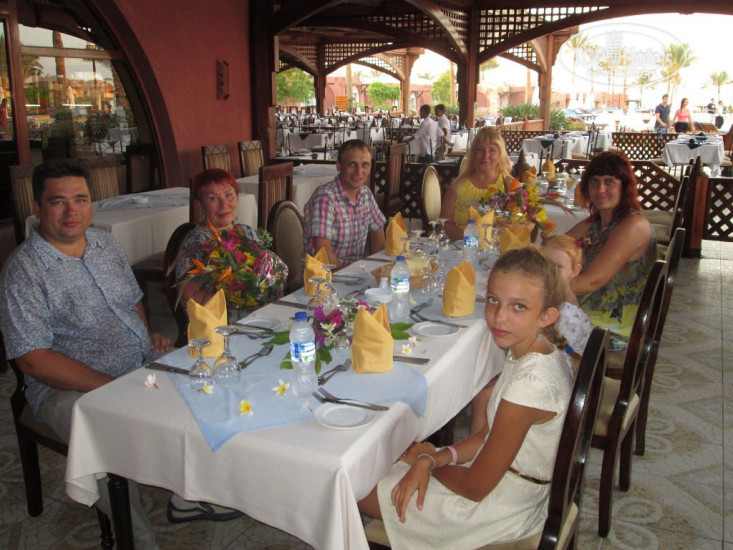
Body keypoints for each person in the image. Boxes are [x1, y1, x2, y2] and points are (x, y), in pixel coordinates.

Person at [0, 160, 172, 549]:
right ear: (37, 206)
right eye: (58, 201)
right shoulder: (24, 272)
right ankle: (137, 540)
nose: (71, 211)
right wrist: (109, 387)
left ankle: (186, 496)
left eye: (80, 199)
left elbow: (132, 300)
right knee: (99, 433)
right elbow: (33, 360)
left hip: (133, 363)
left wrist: (146, 338)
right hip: (64, 387)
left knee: (201, 380)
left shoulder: (105, 245)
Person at [358, 247, 574, 548]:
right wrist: (433, 457)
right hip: (509, 484)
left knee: (358, 486)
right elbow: (488, 434)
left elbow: (475, 487)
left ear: (546, 316)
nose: (500, 317)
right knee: (383, 461)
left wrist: (429, 463)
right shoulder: (539, 351)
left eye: (519, 307)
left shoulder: (529, 386)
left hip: (496, 510)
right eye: (494, 300)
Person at [566, 151, 657, 352]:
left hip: (610, 329)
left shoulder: (633, 225)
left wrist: (538, 287)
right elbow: (558, 246)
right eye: (595, 182)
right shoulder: (598, 221)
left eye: (609, 182)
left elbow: (591, 282)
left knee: (523, 327)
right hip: (587, 311)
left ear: (624, 186)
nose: (601, 189)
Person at [175, 168, 286, 305]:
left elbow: (272, 273)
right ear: (200, 205)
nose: (224, 205)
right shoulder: (199, 241)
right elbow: (186, 293)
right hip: (222, 315)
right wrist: (235, 306)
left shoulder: (247, 231)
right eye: (213, 198)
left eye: (228, 195)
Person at [303, 139, 386, 269]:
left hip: (354, 273)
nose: (359, 171)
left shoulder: (366, 194)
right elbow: (323, 250)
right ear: (338, 166)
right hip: (322, 276)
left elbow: (377, 231)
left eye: (365, 165)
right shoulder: (325, 198)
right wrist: (347, 276)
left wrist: (379, 267)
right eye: (352, 164)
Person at [439, 126, 512, 240]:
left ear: (500, 155)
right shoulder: (458, 185)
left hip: (499, 247)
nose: (485, 156)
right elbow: (444, 223)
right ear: (473, 154)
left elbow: (526, 224)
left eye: (492, 150)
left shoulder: (510, 185)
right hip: (464, 245)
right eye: (480, 150)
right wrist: (471, 238)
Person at [541, 235, 593, 355]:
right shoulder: (549, 297)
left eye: (558, 267)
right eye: (544, 263)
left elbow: (558, 356)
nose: (549, 271)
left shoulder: (567, 316)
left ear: (574, 271)